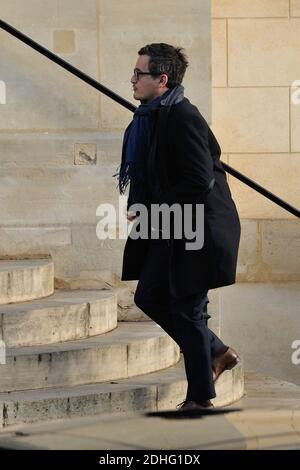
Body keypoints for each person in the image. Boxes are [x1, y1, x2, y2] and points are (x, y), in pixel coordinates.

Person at [114, 43, 241, 411]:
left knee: (188, 309)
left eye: (140, 74)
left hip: (199, 228)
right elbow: (153, 170)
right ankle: (216, 351)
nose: (132, 80)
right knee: (149, 295)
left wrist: (153, 206)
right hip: (171, 226)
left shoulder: (184, 116)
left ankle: (200, 397)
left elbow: (200, 180)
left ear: (162, 80)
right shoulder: (150, 116)